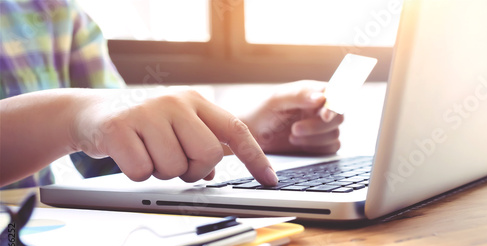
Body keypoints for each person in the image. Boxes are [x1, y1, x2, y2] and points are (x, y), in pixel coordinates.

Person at [0, 0, 343, 189]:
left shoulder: (54, 12)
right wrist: (68, 117)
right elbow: (84, 119)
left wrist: (247, 130)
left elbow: (114, 148)